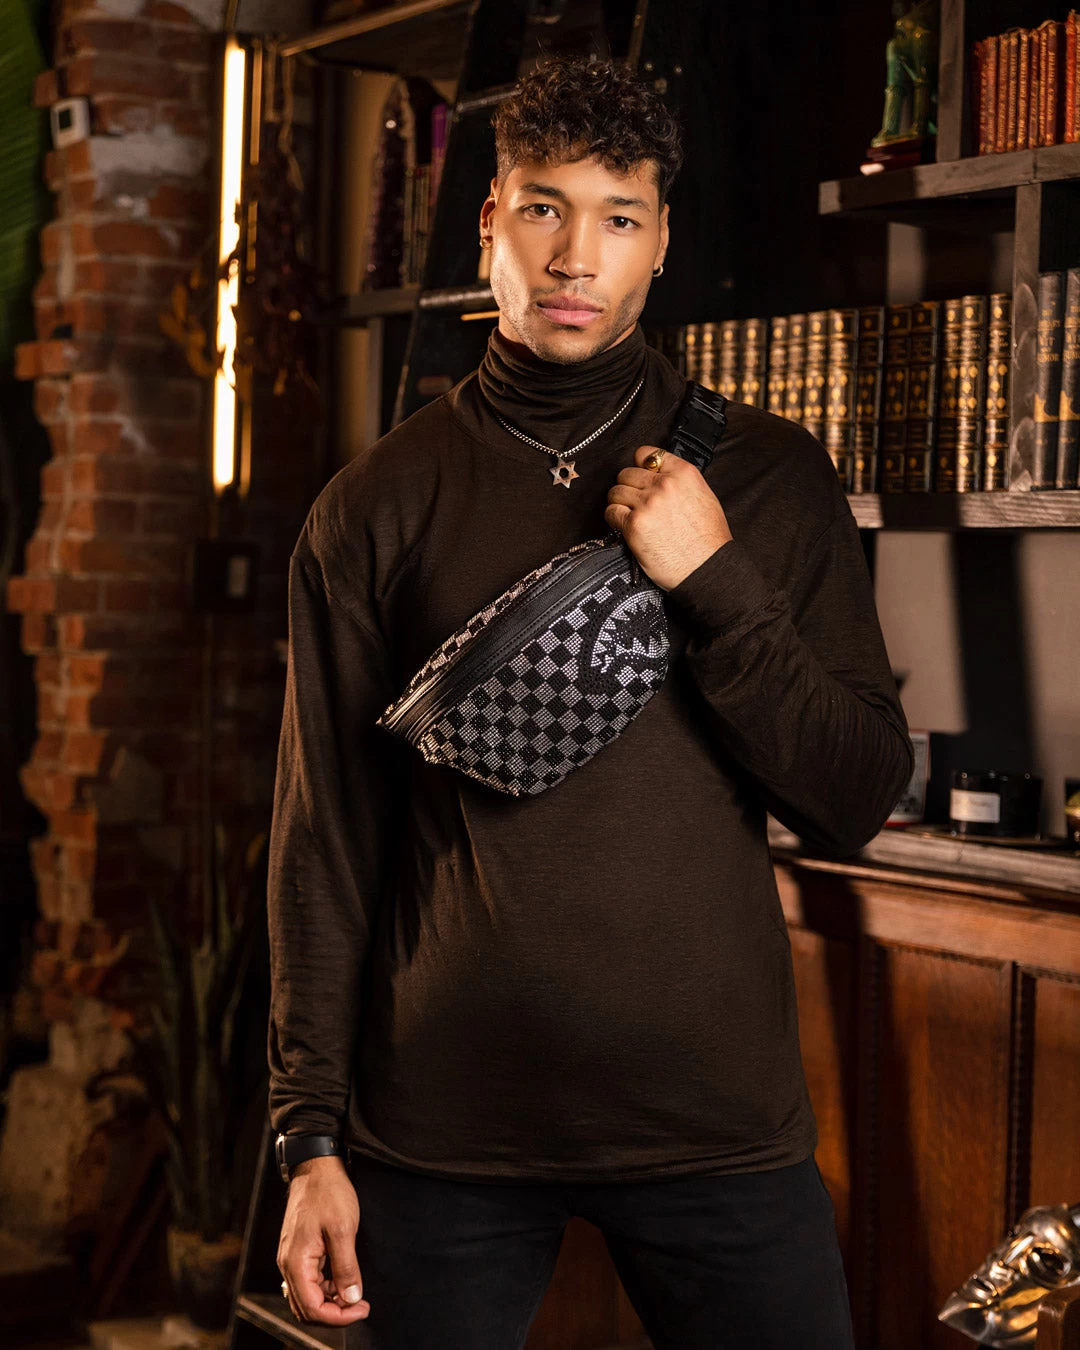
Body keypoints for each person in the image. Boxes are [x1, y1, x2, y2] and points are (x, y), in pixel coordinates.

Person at [267, 54, 913, 1350]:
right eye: (544, 209)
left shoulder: (769, 477)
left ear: (661, 241)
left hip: (713, 1120)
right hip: (441, 1126)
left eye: (619, 217)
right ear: (490, 222)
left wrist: (715, 579)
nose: (575, 257)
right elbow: (324, 842)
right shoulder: (375, 504)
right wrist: (308, 1140)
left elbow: (853, 794)